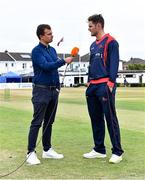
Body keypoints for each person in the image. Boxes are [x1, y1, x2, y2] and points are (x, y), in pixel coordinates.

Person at [26, 24, 73, 165]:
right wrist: (63, 61)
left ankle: (47, 150)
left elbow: (54, 68)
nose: (52, 35)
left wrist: (58, 87)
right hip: (41, 90)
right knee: (37, 122)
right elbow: (46, 66)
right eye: (49, 34)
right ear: (41, 36)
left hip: (54, 90)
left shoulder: (52, 50)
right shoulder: (36, 51)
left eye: (51, 33)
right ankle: (30, 153)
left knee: (49, 122)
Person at [83, 14, 124, 163]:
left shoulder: (111, 42)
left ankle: (117, 152)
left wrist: (111, 83)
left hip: (104, 85)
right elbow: (91, 64)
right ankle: (99, 149)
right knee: (95, 118)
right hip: (92, 86)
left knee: (110, 118)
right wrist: (88, 81)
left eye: (90, 26)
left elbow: (114, 64)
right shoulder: (93, 45)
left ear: (99, 25)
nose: (89, 29)